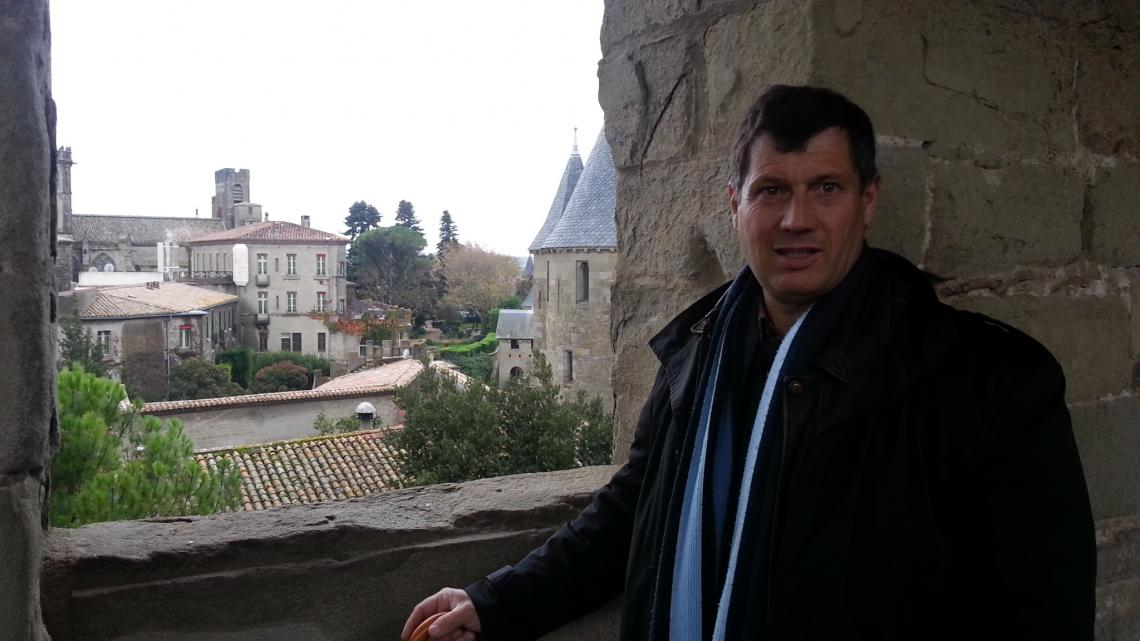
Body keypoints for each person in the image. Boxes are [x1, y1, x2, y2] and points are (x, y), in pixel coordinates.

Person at [402, 85, 1096, 641]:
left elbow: (1041, 614)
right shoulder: (697, 351)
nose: (797, 218)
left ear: (868, 201)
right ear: (736, 206)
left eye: (826, 188)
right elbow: (633, 513)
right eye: (772, 190)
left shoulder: (990, 382)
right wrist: (496, 603)